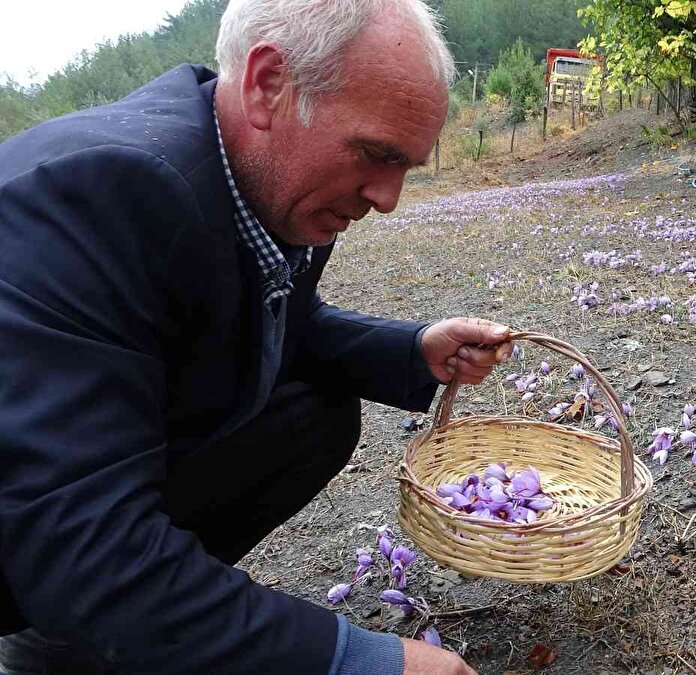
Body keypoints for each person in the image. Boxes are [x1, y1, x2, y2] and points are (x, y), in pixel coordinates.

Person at [0, 0, 494, 673]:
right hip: (33, 522)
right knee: (91, 564)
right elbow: (75, 535)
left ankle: (113, 621)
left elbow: (283, 317)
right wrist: (353, 660)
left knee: (313, 414)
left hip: (69, 478)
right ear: (267, 85)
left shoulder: (268, 179)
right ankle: (67, 634)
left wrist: (411, 350)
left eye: (406, 165)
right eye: (377, 155)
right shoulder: (105, 194)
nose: (388, 198)